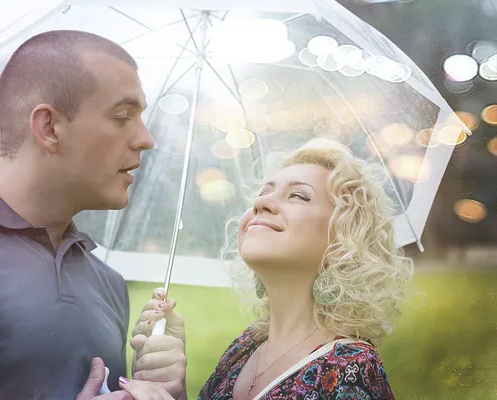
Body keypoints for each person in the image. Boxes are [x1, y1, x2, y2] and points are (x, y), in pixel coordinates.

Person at [0, 30, 185, 400]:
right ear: (49, 127)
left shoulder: (108, 283)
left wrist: (161, 391)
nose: (146, 139)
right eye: (123, 116)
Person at [133, 138, 414, 399]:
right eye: (262, 193)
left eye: (298, 196)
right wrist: (169, 389)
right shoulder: (243, 348)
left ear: (343, 238)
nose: (260, 203)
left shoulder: (352, 369)